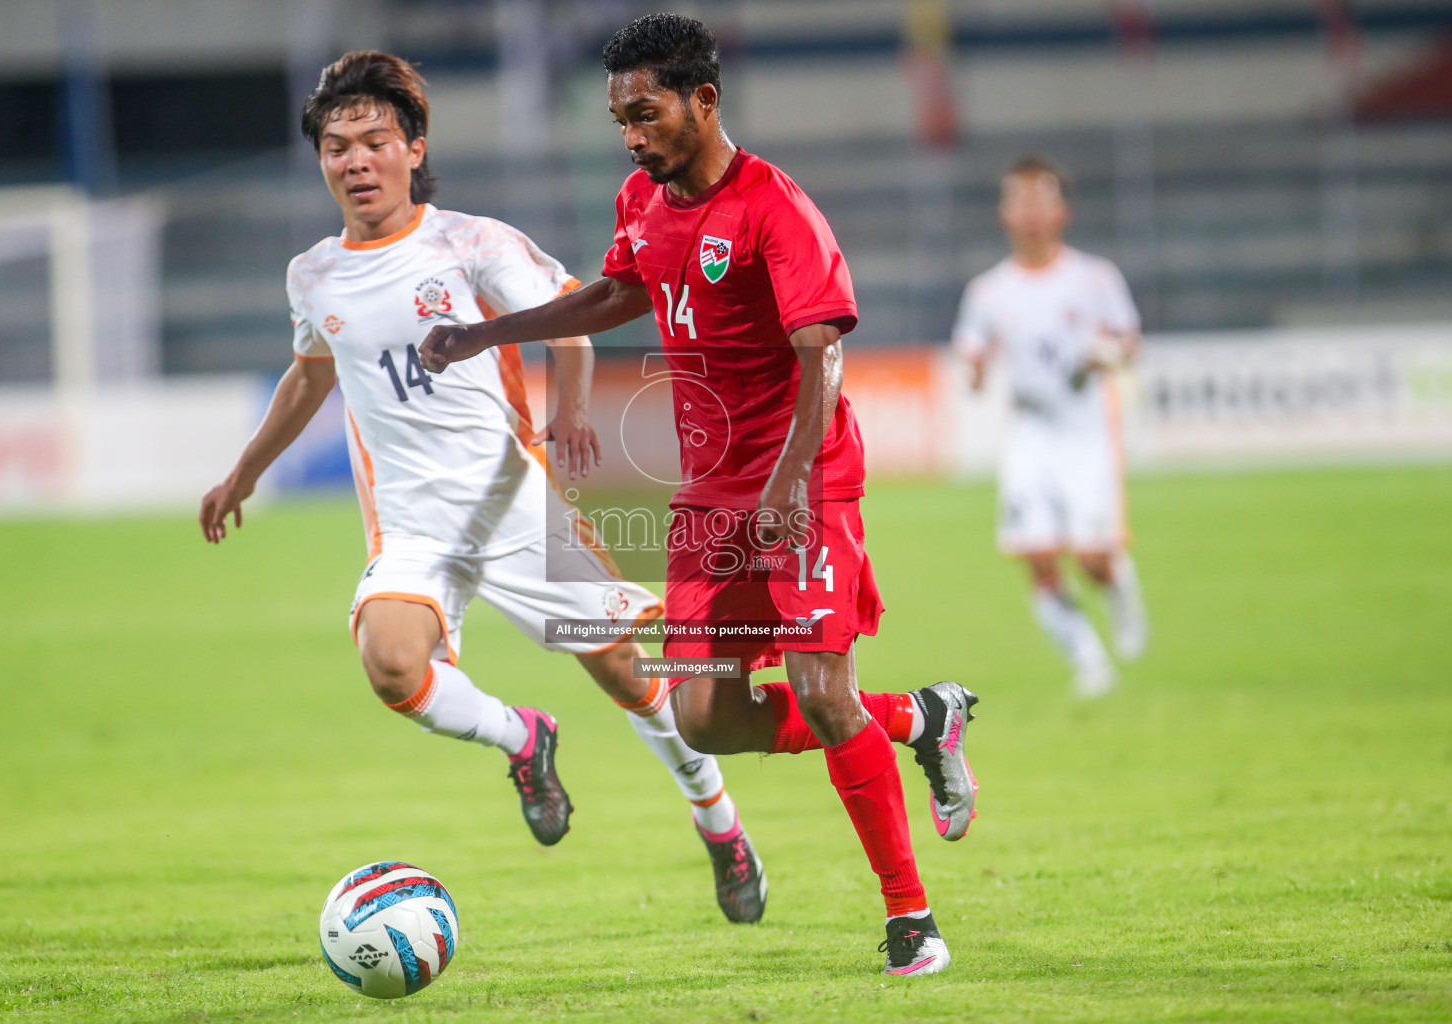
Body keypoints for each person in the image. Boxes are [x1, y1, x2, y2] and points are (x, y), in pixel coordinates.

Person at [420, 14, 978, 977]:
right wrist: (484, 334)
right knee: (705, 716)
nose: (632, 137)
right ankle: (921, 717)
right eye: (619, 120)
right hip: (711, 487)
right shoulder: (643, 196)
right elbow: (613, 294)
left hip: (804, 475)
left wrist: (792, 481)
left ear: (703, 101)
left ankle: (911, 920)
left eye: (646, 115)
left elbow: (825, 356)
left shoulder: (776, 207)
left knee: (817, 685)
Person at [198, 49, 766, 924]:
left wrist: (572, 415)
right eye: (336, 146)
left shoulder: (471, 243)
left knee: (625, 668)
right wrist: (243, 472)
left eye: (374, 141)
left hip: (514, 510)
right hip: (412, 530)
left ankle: (717, 819)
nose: (354, 161)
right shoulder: (313, 273)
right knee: (391, 664)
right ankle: (522, 736)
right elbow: (310, 373)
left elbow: (570, 325)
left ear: (414, 148)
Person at [952, 156, 1150, 698]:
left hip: (1085, 434)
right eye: (1021, 199)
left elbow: (1130, 343)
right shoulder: (989, 292)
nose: (1032, 210)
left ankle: (1119, 586)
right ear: (1004, 214)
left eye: (1042, 198)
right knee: (1039, 558)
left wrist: (1107, 353)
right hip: (1030, 436)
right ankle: (1090, 663)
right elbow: (971, 354)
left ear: (1063, 210)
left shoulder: (1094, 278)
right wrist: (973, 371)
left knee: (1090, 559)